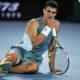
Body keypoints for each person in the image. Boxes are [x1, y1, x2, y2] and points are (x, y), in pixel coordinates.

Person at [0, 0, 60, 74]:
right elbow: (35, 42)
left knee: (33, 68)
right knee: (11, 57)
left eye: (53, 12)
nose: (50, 14)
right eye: (48, 11)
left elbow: (52, 47)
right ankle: (4, 65)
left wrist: (52, 68)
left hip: (34, 58)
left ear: (56, 14)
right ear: (44, 10)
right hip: (20, 51)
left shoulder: (56, 25)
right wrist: (48, 28)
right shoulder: (33, 23)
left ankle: (5, 69)